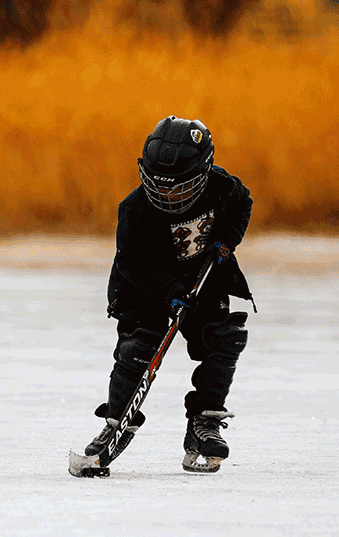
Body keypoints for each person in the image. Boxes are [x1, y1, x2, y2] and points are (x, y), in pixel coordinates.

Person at [77, 115, 255, 474]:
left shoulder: (221, 186)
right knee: (138, 349)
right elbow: (132, 264)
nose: (168, 195)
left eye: (179, 187)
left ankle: (204, 421)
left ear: (203, 173)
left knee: (224, 338)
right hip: (144, 288)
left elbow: (242, 205)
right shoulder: (134, 210)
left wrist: (226, 242)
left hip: (202, 279)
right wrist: (171, 293)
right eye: (160, 187)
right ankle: (115, 423)